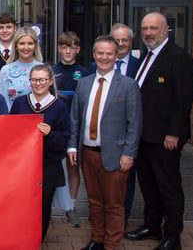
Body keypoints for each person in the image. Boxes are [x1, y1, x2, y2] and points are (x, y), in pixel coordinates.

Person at [125, 12, 193, 250]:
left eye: (153, 28)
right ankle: (152, 225)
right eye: (145, 28)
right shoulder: (146, 56)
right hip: (144, 136)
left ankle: (172, 236)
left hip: (165, 138)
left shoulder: (178, 58)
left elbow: (183, 101)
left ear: (166, 30)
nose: (148, 33)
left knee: (168, 187)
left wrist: (174, 133)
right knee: (148, 184)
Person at [68, 35, 142, 250]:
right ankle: (97, 240)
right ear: (93, 55)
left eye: (109, 53)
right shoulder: (84, 83)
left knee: (114, 205)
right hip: (88, 153)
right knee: (94, 202)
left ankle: (111, 244)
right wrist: (72, 146)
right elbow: (75, 118)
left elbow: (134, 123)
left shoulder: (128, 85)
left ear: (116, 55)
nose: (104, 57)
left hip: (116, 155)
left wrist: (129, 153)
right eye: (100, 53)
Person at [10, 64, 70, 243]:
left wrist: (50, 134)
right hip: (23, 165)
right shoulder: (20, 103)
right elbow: (11, 132)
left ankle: (37, 241)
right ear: (29, 82)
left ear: (50, 81)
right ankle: (20, 238)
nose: (38, 83)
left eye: (42, 79)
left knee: (43, 206)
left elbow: (64, 139)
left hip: (48, 164)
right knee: (21, 204)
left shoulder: (59, 106)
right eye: (34, 79)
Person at [90, 23, 140, 224]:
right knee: (97, 195)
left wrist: (130, 150)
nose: (120, 45)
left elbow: (135, 118)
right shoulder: (92, 73)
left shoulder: (139, 65)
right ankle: (98, 233)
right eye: (116, 40)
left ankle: (120, 225)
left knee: (120, 193)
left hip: (123, 140)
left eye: (124, 40)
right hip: (94, 144)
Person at [52, 31, 91, 227]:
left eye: (72, 48)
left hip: (75, 127)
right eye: (65, 47)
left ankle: (72, 206)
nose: (68, 51)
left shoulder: (84, 73)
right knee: (52, 167)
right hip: (55, 127)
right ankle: (48, 207)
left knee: (73, 167)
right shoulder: (51, 71)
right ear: (59, 49)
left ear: (78, 50)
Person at [0, 26, 43, 112]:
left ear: (35, 45)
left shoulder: (44, 69)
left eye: (30, 43)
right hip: (13, 121)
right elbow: (1, 102)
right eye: (22, 43)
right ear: (16, 46)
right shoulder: (6, 70)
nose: (26, 47)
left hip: (39, 121)